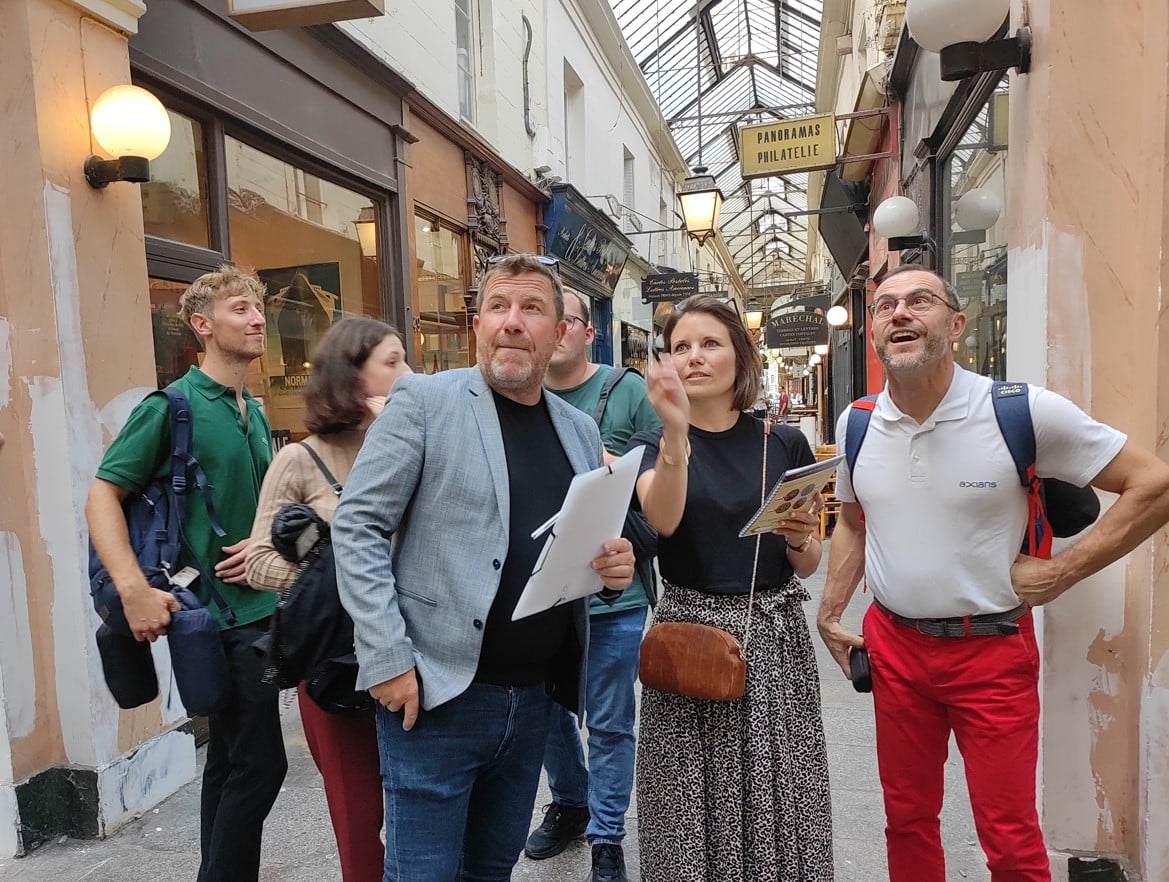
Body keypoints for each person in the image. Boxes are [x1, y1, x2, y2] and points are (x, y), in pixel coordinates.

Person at [817, 266, 1169, 882]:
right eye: (885, 305)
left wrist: (1063, 572)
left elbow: (1153, 485)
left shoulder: (1020, 411)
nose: (899, 313)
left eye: (919, 301)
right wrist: (830, 609)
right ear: (872, 331)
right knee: (906, 819)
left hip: (992, 651)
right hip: (895, 647)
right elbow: (852, 518)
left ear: (955, 325)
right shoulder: (858, 422)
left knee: (1007, 838)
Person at [332, 253, 636, 882]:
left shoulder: (579, 430)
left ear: (561, 332)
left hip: (532, 705)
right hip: (436, 696)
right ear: (477, 324)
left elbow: (574, 544)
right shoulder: (424, 401)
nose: (513, 322)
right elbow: (357, 527)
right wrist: (386, 658)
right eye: (499, 307)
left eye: (532, 309)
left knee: (490, 873)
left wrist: (611, 564)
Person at [85, 265, 285, 882]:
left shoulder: (248, 405)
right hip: (219, 618)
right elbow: (101, 495)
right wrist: (133, 589)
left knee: (229, 758)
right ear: (202, 325)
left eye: (257, 307)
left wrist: (267, 538)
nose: (256, 318)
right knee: (261, 764)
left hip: (260, 609)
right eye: (238, 309)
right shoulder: (172, 406)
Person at [631, 294, 833, 882]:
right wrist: (673, 434)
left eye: (710, 344)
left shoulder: (782, 443)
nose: (694, 357)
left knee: (778, 794)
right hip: (690, 636)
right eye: (680, 347)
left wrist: (800, 537)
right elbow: (662, 520)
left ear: (740, 359)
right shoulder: (653, 445)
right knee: (689, 804)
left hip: (774, 641)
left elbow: (806, 564)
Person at [245, 317, 412, 882]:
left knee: (422, 810)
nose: (408, 373)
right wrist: (333, 579)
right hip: (338, 669)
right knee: (359, 818)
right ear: (351, 373)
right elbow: (259, 560)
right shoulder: (300, 459)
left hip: (418, 655)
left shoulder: (417, 445)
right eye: (393, 362)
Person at [526, 288, 661, 882]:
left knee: (608, 720)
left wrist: (612, 461)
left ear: (584, 332)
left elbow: (661, 458)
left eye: (567, 321)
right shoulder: (517, 394)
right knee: (550, 714)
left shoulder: (624, 389)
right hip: (541, 592)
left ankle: (608, 835)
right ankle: (571, 802)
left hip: (615, 593)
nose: (555, 332)